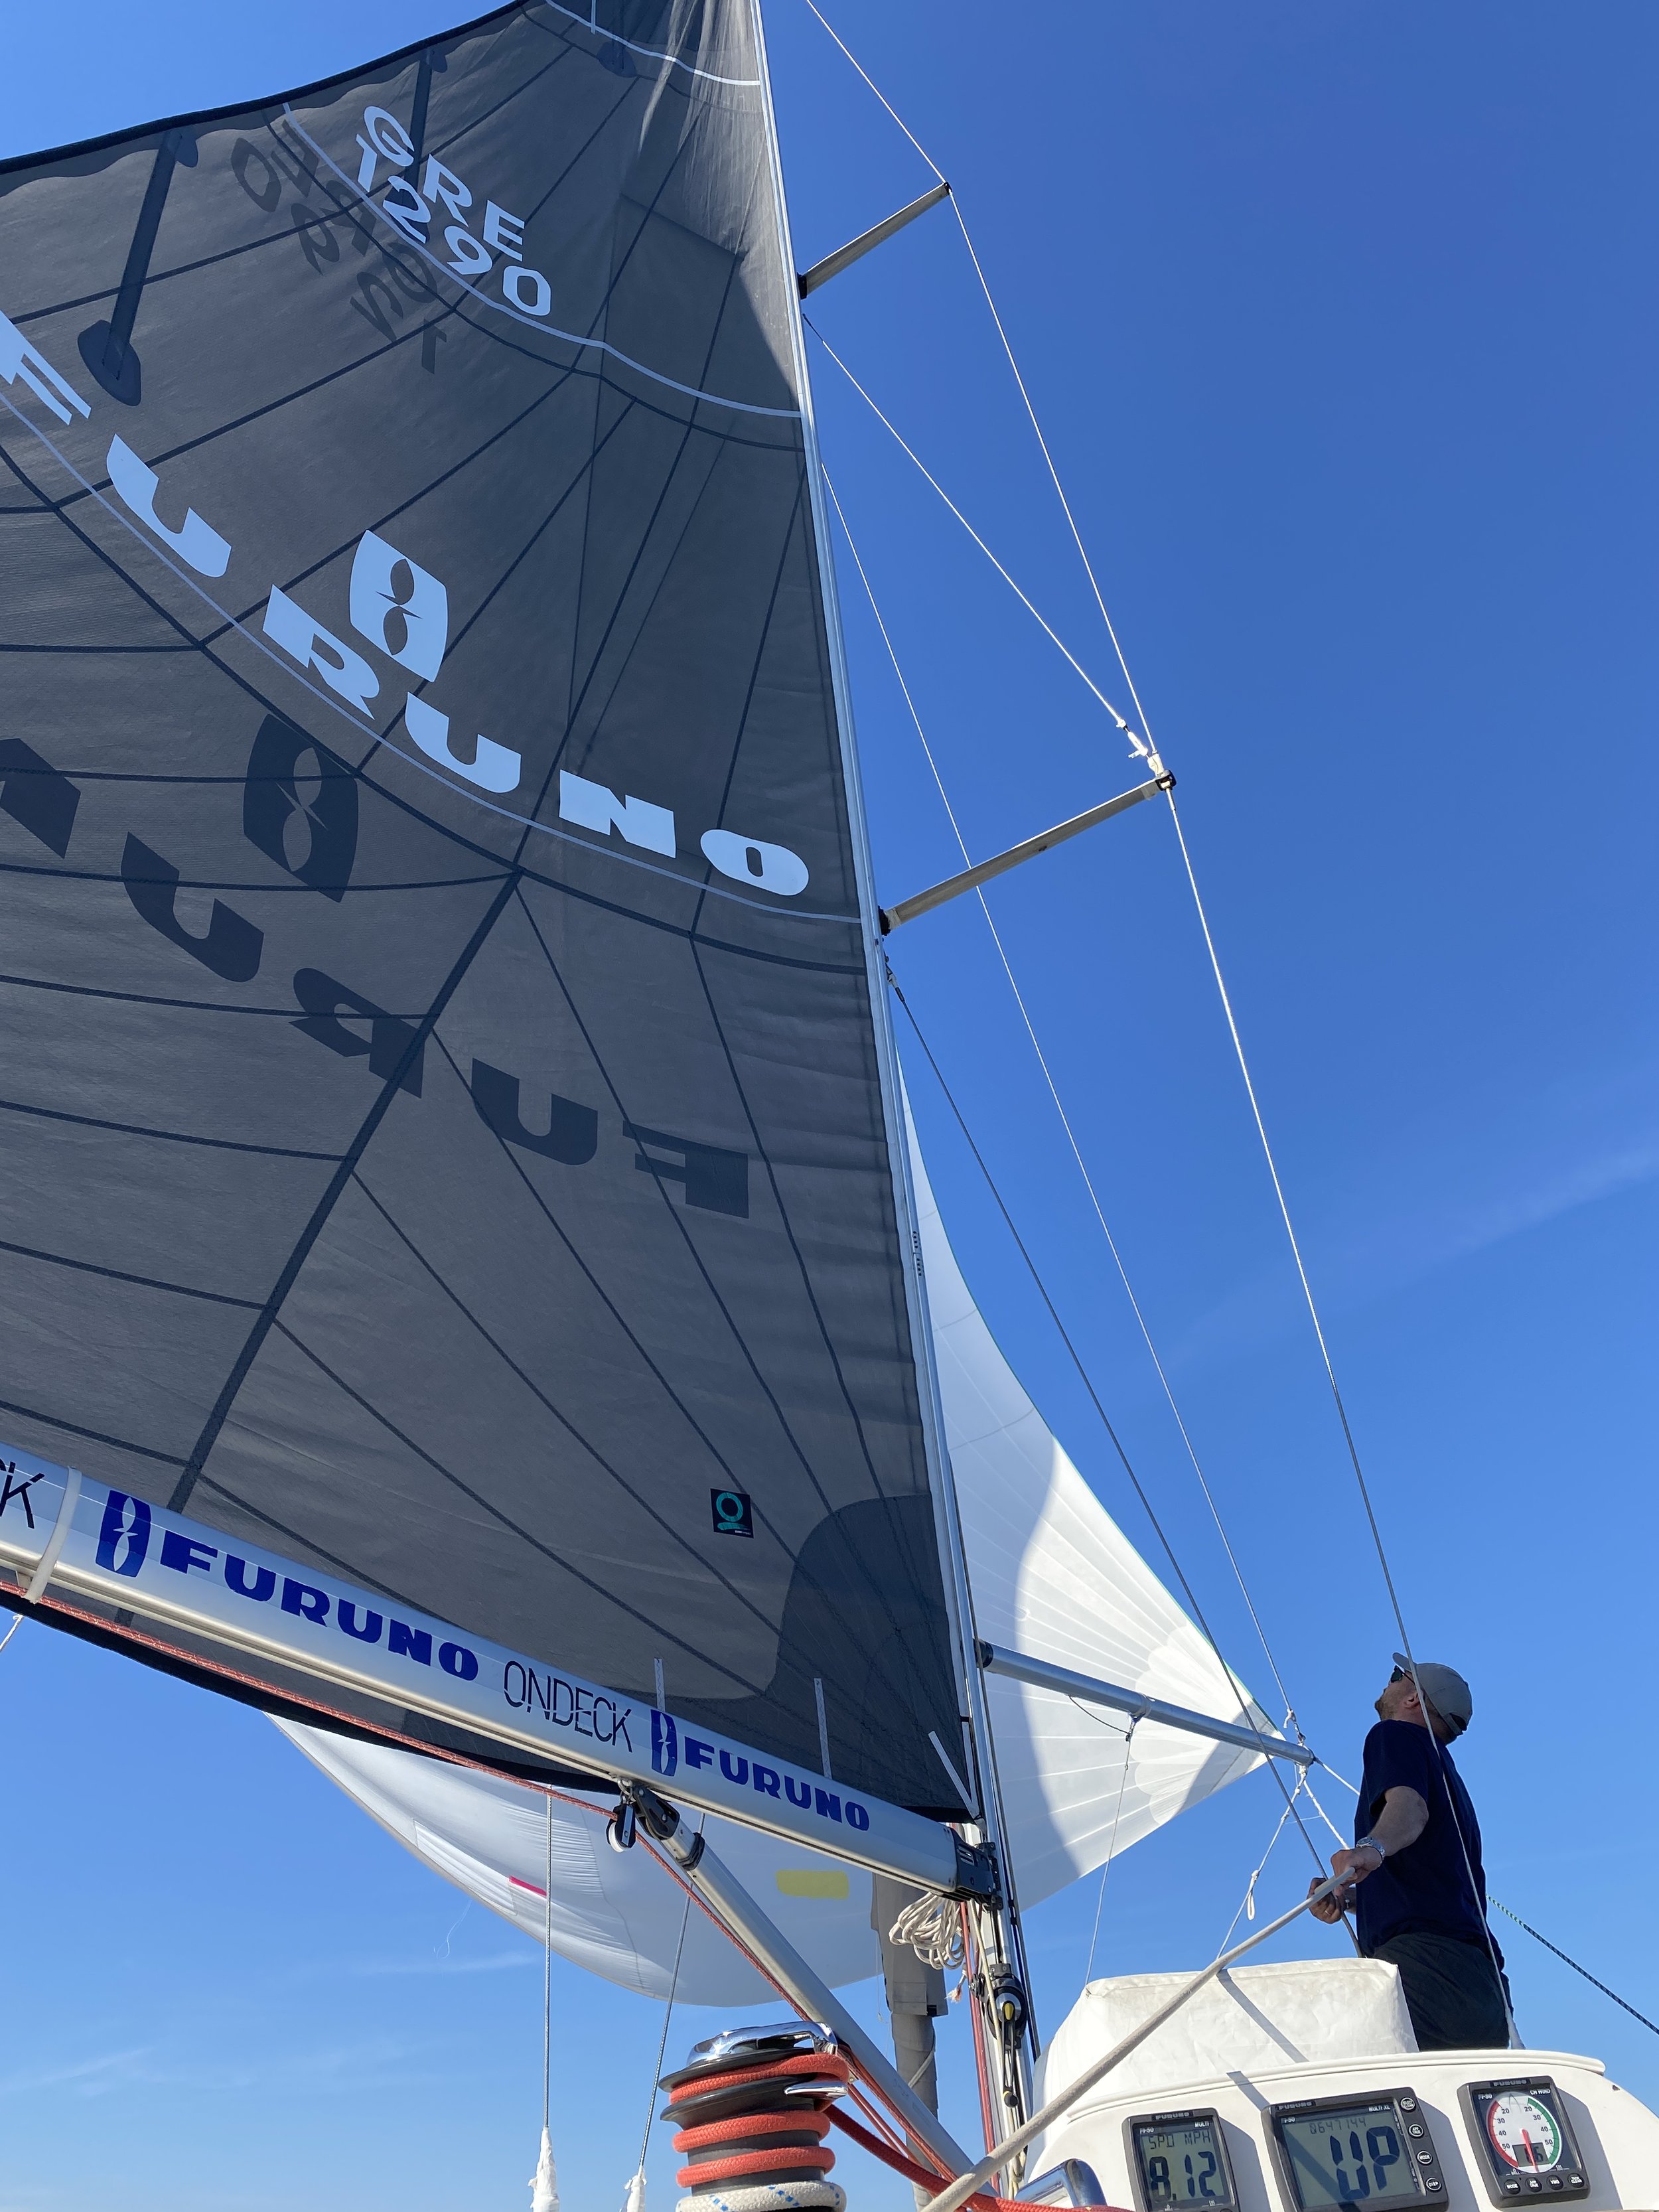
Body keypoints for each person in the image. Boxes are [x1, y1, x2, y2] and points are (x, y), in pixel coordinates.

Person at [1309, 1655, 1512, 2051]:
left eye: (1394, 1677)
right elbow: (1430, 1883)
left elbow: (1408, 1809)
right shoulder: (1448, 1778)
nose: (1386, 1685)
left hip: (1428, 1968)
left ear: (1414, 1699)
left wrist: (1369, 1849)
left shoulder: (1394, 1736)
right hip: (1479, 1988)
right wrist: (1353, 1898)